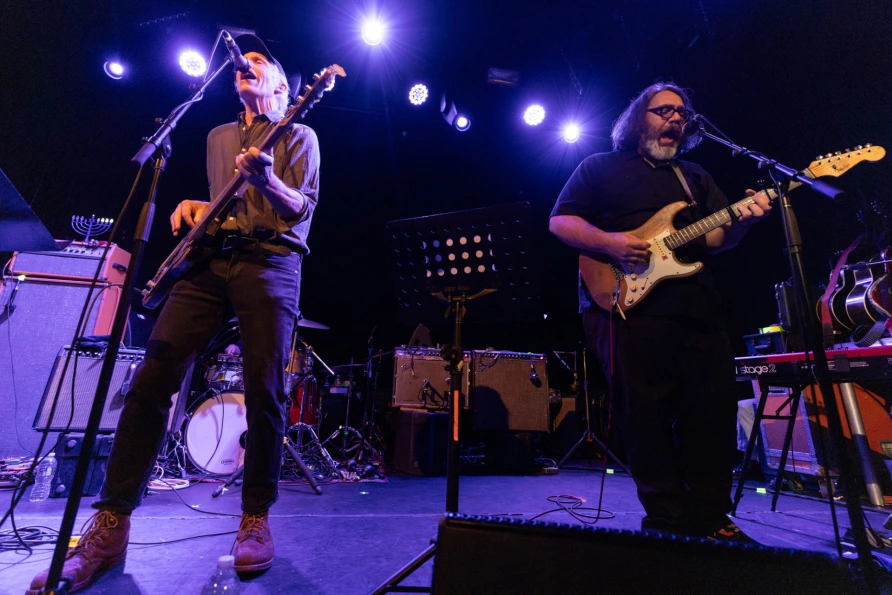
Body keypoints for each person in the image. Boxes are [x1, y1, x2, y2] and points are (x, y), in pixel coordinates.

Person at [29, 34, 320, 593]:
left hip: (272, 262)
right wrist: (198, 207)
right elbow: (225, 200)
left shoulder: (301, 134)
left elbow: (297, 210)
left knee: (264, 389)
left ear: (284, 86)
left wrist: (266, 178)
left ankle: (254, 517)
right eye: (243, 62)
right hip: (211, 260)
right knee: (150, 379)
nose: (247, 66)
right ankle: (111, 525)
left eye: (261, 63)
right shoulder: (216, 136)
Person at [549, 82, 771, 540]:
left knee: (712, 415)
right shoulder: (599, 168)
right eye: (663, 109)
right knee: (644, 416)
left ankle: (711, 516)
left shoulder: (694, 176)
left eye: (682, 113)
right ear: (637, 118)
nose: (675, 118)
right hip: (626, 307)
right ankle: (667, 517)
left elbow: (716, 239)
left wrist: (744, 222)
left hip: (698, 311)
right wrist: (610, 242)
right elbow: (561, 221)